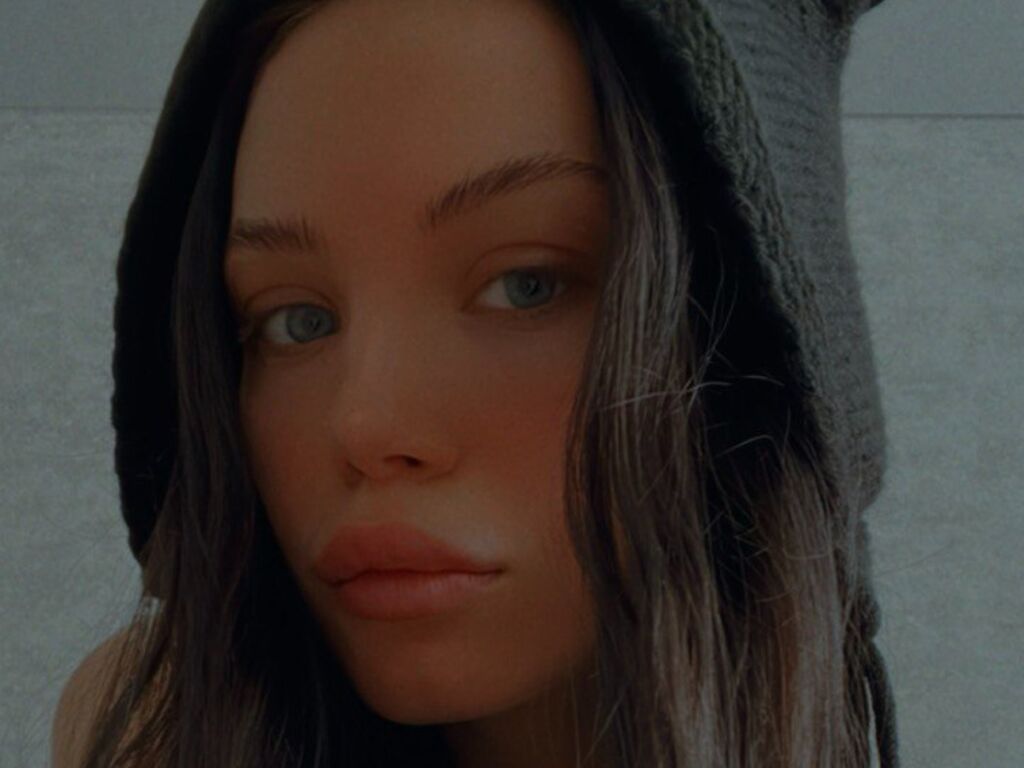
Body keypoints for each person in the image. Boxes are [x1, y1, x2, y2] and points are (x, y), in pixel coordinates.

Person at [52, 0, 899, 767]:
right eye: (296, 321)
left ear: (760, 351)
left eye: (526, 285)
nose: (365, 425)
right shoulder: (157, 735)